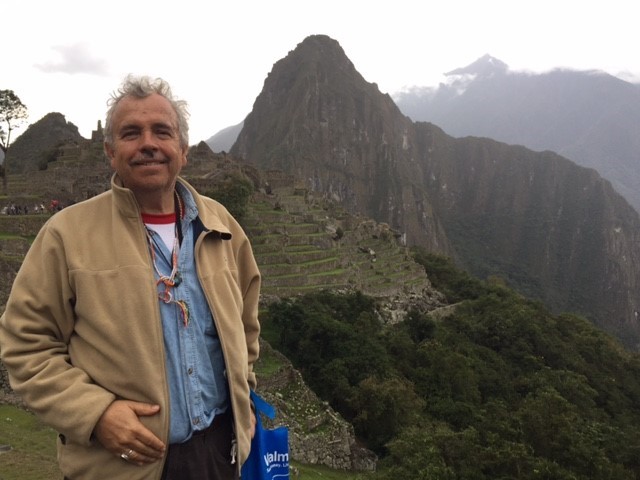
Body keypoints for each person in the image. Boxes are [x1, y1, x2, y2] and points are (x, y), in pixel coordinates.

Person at [0, 75, 261, 480]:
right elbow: (24, 345)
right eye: (131, 133)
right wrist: (96, 413)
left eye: (162, 131)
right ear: (110, 151)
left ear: (183, 149)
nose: (148, 144)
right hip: (120, 466)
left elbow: (246, 327)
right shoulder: (67, 235)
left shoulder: (220, 226)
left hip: (219, 456)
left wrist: (243, 396)